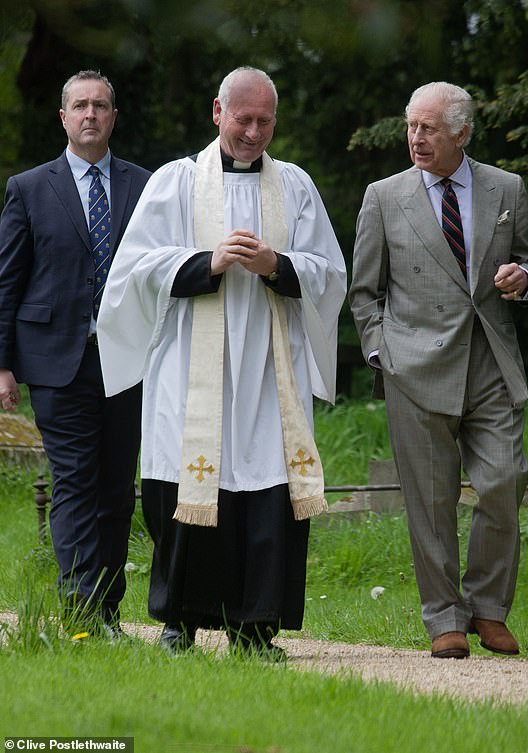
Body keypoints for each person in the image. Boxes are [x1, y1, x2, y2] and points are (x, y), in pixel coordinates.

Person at [97, 67, 346, 658]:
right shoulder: (175, 183)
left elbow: (329, 272)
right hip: (190, 370)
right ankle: (180, 622)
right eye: (243, 119)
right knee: (185, 490)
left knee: (266, 494)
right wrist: (205, 262)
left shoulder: (296, 187)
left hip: (267, 371)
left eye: (264, 121)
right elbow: (133, 271)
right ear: (217, 112)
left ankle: (254, 629)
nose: (253, 132)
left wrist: (275, 264)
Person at [349, 81, 528, 659]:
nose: (415, 137)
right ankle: (445, 619)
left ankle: (489, 609)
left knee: (503, 481)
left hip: (490, 358)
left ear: (461, 133)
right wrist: (382, 352)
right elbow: (365, 292)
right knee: (430, 500)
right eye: (411, 125)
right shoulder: (383, 197)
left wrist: (526, 279)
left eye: (428, 128)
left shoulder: (506, 187)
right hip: (414, 368)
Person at [0, 70, 151, 635]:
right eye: (80, 106)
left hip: (127, 359)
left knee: (116, 487)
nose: (91, 115)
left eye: (101, 106)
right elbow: (7, 282)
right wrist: (3, 363)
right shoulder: (30, 188)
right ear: (63, 117)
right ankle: (83, 609)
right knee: (75, 482)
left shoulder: (145, 186)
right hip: (56, 360)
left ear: (114, 116)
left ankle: (107, 608)